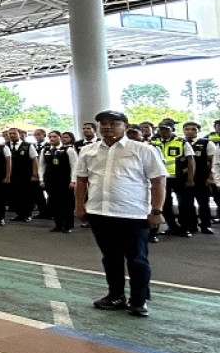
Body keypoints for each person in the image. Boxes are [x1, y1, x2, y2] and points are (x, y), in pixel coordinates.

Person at [77, 110, 166, 317]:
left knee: (137, 259)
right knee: (111, 258)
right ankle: (115, 296)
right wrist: (80, 207)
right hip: (100, 212)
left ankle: (139, 300)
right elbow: (81, 180)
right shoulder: (88, 151)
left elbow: (158, 181)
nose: (107, 127)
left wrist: (157, 210)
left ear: (125, 126)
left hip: (133, 214)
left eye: (114, 123)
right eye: (103, 123)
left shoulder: (143, 150)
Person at [150, 121, 194, 237]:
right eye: (161, 129)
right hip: (162, 178)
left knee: (184, 203)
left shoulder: (181, 142)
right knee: (165, 203)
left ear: (172, 130)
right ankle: (172, 226)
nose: (164, 131)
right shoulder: (154, 142)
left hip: (179, 177)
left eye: (167, 129)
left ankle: (185, 227)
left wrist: (190, 178)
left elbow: (191, 160)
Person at [41, 129, 78, 233]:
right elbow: (42, 165)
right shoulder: (46, 150)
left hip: (65, 181)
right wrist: (41, 179)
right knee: (54, 203)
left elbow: (75, 165)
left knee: (66, 203)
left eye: (55, 137)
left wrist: (73, 180)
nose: (52, 139)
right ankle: (58, 225)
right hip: (51, 181)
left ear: (60, 138)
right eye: (50, 137)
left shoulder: (68, 150)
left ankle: (67, 226)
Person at [182, 122, 215, 234]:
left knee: (203, 203)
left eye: (193, 129)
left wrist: (211, 177)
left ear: (198, 131)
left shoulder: (206, 143)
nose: (189, 131)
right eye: (187, 129)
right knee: (187, 203)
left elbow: (213, 161)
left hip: (202, 177)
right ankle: (192, 225)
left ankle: (205, 225)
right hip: (185, 178)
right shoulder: (180, 142)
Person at [6, 127, 37, 221]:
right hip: (12, 175)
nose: (12, 135)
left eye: (14, 133)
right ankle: (19, 214)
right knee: (14, 196)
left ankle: (27, 214)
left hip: (25, 175)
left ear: (19, 134)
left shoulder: (27, 146)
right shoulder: (5, 146)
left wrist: (35, 174)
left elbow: (34, 159)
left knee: (26, 195)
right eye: (10, 134)